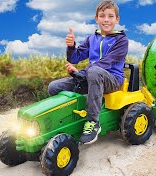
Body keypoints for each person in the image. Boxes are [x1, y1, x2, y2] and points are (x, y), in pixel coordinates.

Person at [48, 0, 128, 144]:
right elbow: (74, 57)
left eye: (110, 16)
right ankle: (65, 118)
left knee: (95, 72)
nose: (106, 20)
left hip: (113, 80)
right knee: (54, 87)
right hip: (92, 76)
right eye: (102, 16)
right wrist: (72, 46)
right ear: (96, 18)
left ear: (117, 19)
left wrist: (83, 73)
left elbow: (106, 63)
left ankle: (93, 123)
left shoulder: (121, 41)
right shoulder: (92, 39)